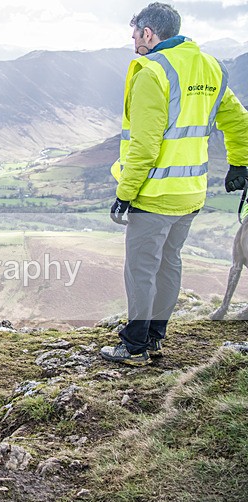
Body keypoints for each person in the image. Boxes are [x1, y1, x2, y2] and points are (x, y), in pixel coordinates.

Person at [105, 2, 248, 366]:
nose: (133, 41)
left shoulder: (151, 70)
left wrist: (125, 192)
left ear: (148, 34)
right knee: (170, 263)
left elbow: (145, 144)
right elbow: (237, 121)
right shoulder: (211, 66)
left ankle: (134, 345)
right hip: (191, 193)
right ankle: (154, 337)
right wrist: (240, 162)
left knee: (141, 268)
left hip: (154, 194)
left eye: (135, 34)